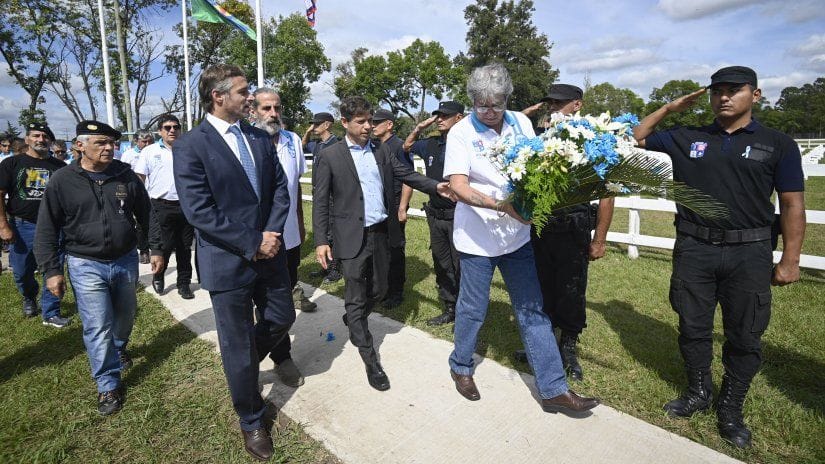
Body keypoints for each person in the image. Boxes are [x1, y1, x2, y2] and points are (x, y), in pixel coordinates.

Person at [633, 66, 805, 448]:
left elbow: (792, 204)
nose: (724, 97)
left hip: (749, 252)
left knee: (744, 332)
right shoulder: (687, 137)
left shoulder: (778, 143)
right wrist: (670, 108)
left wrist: (790, 260)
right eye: (717, 91)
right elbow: (636, 135)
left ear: (755, 95)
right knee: (692, 325)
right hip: (695, 248)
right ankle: (699, 391)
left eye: (734, 90)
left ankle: (731, 406)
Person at [443, 63, 599, 416]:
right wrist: (501, 205)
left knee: (532, 310)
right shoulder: (461, 133)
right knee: (473, 308)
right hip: (477, 240)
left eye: (495, 104)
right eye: (481, 104)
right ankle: (461, 365)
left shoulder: (521, 123)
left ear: (507, 99)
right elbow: (458, 185)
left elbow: (535, 169)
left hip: (517, 239)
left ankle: (553, 389)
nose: (488, 112)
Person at [173, 64, 294, 461]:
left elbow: (279, 189)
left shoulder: (259, 137)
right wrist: (251, 241)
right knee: (237, 342)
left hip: (271, 253)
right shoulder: (192, 144)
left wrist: (271, 236)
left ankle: (239, 366)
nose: (250, 98)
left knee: (282, 317)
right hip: (227, 261)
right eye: (243, 92)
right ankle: (251, 418)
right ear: (218, 96)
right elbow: (199, 210)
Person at [313, 96, 450, 391]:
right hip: (349, 236)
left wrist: (436, 186)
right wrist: (322, 240)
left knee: (381, 288)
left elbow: (405, 174)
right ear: (345, 122)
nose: (367, 127)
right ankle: (370, 358)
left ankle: (354, 317)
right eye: (361, 122)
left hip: (379, 233)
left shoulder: (381, 150)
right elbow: (320, 201)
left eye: (370, 121)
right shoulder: (330, 155)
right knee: (356, 292)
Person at [33, 120, 161, 415]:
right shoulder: (62, 180)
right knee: (96, 325)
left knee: (125, 316)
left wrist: (155, 248)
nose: (109, 148)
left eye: (111, 143)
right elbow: (47, 228)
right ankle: (107, 385)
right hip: (84, 263)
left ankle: (119, 347)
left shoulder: (124, 175)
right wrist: (51, 270)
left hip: (124, 259)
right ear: (79, 146)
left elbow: (147, 214)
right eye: (101, 143)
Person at [513, 84, 616, 381]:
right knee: (541, 287)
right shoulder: (541, 140)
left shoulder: (594, 141)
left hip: (575, 225)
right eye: (550, 103)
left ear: (577, 105)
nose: (553, 108)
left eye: (560, 103)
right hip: (543, 225)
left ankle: (568, 347)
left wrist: (599, 239)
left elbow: (608, 194)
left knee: (572, 289)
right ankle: (542, 345)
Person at [252, 87, 317, 388]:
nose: (273, 114)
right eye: (266, 108)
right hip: (254, 242)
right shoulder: (245, 141)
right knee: (262, 303)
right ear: (252, 110)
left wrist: (300, 225)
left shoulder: (292, 140)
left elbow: (294, 189)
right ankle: (250, 360)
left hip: (288, 238)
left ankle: (281, 356)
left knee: (282, 303)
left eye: (276, 108)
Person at [0, 122, 68, 326]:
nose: (41, 139)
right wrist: (3, 226)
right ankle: (29, 296)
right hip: (23, 226)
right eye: (36, 135)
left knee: (53, 269)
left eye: (45, 136)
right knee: (22, 271)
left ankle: (51, 312)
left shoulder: (60, 167)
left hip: (55, 227)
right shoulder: (11, 164)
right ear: (28, 138)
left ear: (50, 141)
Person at [403, 100, 464, 326]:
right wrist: (419, 128)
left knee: (461, 265)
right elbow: (406, 147)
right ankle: (449, 307)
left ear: (459, 118)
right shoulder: (430, 144)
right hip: (436, 215)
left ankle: (465, 311)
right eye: (437, 115)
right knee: (442, 263)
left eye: (445, 116)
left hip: (460, 215)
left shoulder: (468, 144)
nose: (439, 119)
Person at [134, 114, 195, 299]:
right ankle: (158, 276)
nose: (172, 130)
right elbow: (139, 178)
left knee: (185, 248)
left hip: (186, 206)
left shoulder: (188, 150)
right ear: (160, 131)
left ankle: (184, 283)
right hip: (160, 206)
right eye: (167, 127)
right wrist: (139, 206)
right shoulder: (150, 151)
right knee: (164, 247)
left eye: (176, 127)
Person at [371, 108, 412, 308]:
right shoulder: (375, 146)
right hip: (381, 204)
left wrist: (402, 208)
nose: (372, 126)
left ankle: (396, 292)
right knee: (381, 249)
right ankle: (383, 288)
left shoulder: (398, 146)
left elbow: (408, 179)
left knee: (395, 248)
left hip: (395, 203)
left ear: (389, 124)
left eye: (377, 122)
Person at [303, 112, 343, 284]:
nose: (314, 127)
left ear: (327, 125)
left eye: (317, 124)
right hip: (318, 193)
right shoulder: (317, 145)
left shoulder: (338, 144)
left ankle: (335, 269)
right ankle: (325, 266)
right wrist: (308, 132)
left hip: (332, 195)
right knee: (323, 231)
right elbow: (302, 144)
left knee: (333, 232)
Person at [120, 130, 155, 264]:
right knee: (141, 223)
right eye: (144, 141)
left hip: (153, 193)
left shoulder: (155, 152)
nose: (147, 144)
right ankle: (144, 250)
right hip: (136, 194)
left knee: (154, 222)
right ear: (136, 141)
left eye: (149, 141)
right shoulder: (128, 155)